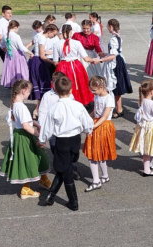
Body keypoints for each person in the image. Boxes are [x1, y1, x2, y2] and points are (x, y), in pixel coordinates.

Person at [39, 75, 94, 211]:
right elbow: (87, 121)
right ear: (70, 91)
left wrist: (42, 140)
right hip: (75, 139)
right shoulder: (78, 105)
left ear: (56, 91)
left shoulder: (54, 108)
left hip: (62, 140)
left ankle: (73, 202)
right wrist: (88, 130)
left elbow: (47, 127)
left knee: (65, 168)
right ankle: (53, 196)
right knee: (66, 167)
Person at [0, 80, 51, 199]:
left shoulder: (15, 104)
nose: (29, 94)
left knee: (39, 157)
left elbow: (24, 120)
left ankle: (44, 179)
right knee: (29, 161)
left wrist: (35, 123)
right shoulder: (21, 107)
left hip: (20, 135)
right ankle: (25, 189)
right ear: (23, 91)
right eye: (29, 91)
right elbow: (25, 125)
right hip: (24, 137)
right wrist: (40, 135)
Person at [82, 76, 117, 192]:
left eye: (94, 90)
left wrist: (93, 126)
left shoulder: (109, 98)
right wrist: (88, 118)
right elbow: (95, 111)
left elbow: (105, 116)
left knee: (93, 154)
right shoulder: (97, 96)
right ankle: (105, 176)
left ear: (101, 87)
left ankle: (96, 181)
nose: (92, 92)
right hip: (97, 123)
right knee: (98, 153)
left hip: (104, 126)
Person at [55, 24, 98, 108]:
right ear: (71, 32)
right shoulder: (77, 43)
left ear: (62, 32)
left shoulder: (57, 44)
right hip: (76, 66)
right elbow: (86, 58)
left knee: (63, 84)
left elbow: (56, 61)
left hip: (63, 66)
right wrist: (95, 59)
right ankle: (81, 102)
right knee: (80, 85)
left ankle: (65, 103)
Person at [98, 19, 133, 117]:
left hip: (115, 63)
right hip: (118, 61)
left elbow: (113, 55)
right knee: (115, 85)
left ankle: (119, 109)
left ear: (110, 26)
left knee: (115, 85)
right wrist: (105, 54)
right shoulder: (117, 36)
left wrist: (100, 60)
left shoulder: (114, 39)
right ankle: (118, 108)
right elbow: (115, 52)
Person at [1, 20, 33, 88]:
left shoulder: (5, 35)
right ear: (15, 27)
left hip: (9, 54)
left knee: (10, 69)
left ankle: (10, 83)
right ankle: (20, 84)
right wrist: (30, 52)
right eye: (18, 28)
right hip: (17, 54)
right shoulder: (16, 36)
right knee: (19, 69)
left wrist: (6, 49)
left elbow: (2, 45)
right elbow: (21, 47)